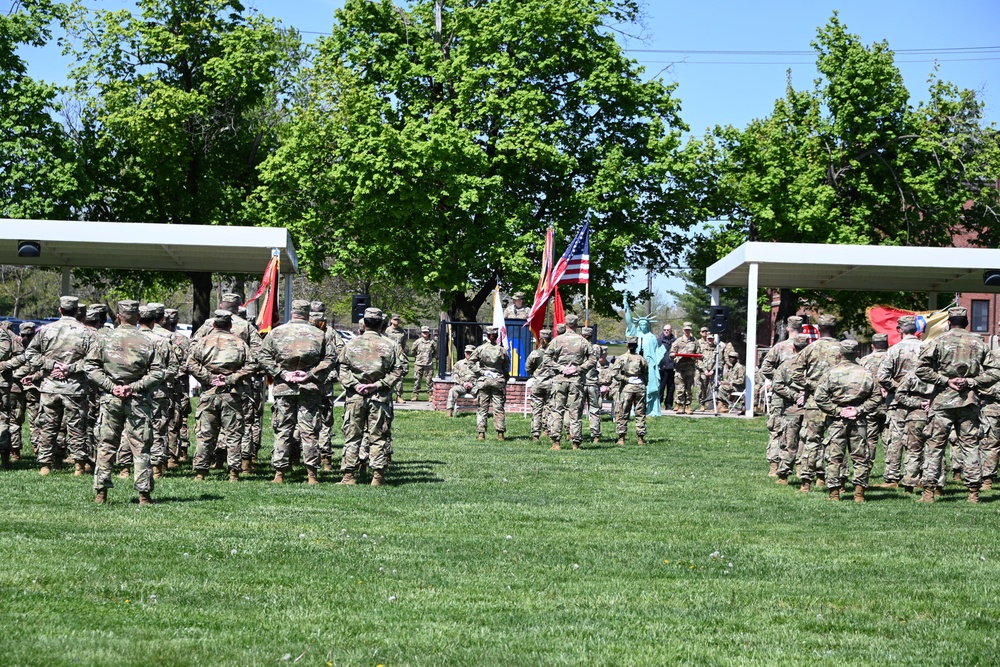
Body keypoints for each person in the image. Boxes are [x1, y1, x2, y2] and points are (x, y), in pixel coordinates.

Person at [86, 300, 165, 505]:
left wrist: (111, 387)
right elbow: (158, 373)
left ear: (118, 317)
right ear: (138, 318)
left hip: (111, 399)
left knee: (106, 445)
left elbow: (90, 367)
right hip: (138, 400)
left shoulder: (104, 339)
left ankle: (101, 493)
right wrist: (135, 387)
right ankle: (144, 495)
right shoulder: (147, 341)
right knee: (141, 447)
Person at [915, 306, 988, 503]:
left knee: (935, 447)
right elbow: (995, 371)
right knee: (970, 446)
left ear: (949, 322)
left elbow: (920, 369)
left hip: (942, 402)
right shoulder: (978, 342)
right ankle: (973, 493)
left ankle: (929, 492)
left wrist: (945, 380)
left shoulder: (937, 341)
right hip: (969, 402)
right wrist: (971, 382)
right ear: (966, 323)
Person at [259, 299, 336, 485]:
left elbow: (263, 356)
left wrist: (282, 373)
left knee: (283, 430)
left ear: (292, 312)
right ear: (308, 313)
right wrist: (309, 374)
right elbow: (331, 358)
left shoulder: (276, 333)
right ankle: (312, 475)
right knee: (309, 431)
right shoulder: (319, 334)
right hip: (309, 388)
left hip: (284, 389)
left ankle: (279, 474)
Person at [24, 295, 96, 477]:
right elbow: (95, 360)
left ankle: (45, 465)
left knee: (47, 426)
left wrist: (51, 365)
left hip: (50, 387)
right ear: (78, 311)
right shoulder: (87, 332)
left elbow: (30, 353)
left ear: (60, 310)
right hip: (75, 388)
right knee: (77, 427)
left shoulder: (46, 330)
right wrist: (69, 368)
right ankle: (79, 465)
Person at [188, 310, 260, 482]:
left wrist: (209, 378)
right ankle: (234, 473)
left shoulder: (203, 342)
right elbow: (253, 364)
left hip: (208, 394)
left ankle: (200, 473)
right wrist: (231, 378)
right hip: (232, 394)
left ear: (213, 325)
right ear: (230, 326)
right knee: (234, 434)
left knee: (205, 434)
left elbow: (190, 362)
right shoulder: (240, 343)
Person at [337, 308, 406, 486]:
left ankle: (349, 476)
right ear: (382, 324)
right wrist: (378, 385)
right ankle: (377, 477)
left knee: (352, 436)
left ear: (364, 324)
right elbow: (399, 370)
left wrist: (355, 384)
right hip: (379, 398)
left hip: (355, 397)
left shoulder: (351, 344)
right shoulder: (391, 345)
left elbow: (342, 369)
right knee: (378, 436)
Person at [812, 340, 883, 502]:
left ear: (840, 354)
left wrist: (838, 411)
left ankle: (834, 494)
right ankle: (859, 494)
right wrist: (859, 410)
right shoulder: (867, 373)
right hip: (859, 421)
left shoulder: (831, 373)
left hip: (837, 421)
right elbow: (877, 397)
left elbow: (820, 397)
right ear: (857, 354)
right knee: (860, 458)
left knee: (834, 458)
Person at [790, 313, 842, 493]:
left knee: (811, 442)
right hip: (838, 403)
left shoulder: (809, 349)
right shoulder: (842, 348)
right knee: (837, 443)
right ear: (834, 329)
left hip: (814, 402)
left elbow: (795, 372)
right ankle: (837, 483)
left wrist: (812, 385)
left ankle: (806, 483)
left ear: (819, 329)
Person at [875, 316, 923, 489]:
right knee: (919, 439)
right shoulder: (926, 348)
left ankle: (892, 478)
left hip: (897, 401)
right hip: (922, 400)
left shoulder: (894, 350)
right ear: (916, 330)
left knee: (895, 439)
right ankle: (917, 476)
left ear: (900, 330)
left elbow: (882, 376)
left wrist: (898, 387)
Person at [759, 316, 804, 476]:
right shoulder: (809, 347)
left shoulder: (779, 347)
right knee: (801, 430)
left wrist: (779, 378)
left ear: (787, 328)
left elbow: (765, 368)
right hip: (801, 395)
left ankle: (775, 466)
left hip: (781, 394)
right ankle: (800, 468)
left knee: (777, 429)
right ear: (802, 328)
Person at [544, 313, 595, 450]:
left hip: (559, 381)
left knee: (556, 411)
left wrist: (560, 368)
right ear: (577, 325)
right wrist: (578, 369)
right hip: (576, 381)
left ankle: (556, 442)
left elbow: (547, 358)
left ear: (565, 324)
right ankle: (576, 443)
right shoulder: (583, 341)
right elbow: (592, 360)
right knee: (575, 413)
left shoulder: (556, 340)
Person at [770, 334, 810, 484]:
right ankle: (805, 474)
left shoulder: (786, 365)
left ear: (793, 348)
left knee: (789, 443)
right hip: (808, 408)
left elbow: (777, 385)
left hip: (792, 409)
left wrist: (793, 396)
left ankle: (783, 476)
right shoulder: (813, 367)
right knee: (809, 443)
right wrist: (804, 396)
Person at [623, 297, 665, 417]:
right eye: (640, 324)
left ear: (648, 325)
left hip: (650, 365)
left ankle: (652, 410)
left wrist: (658, 358)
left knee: (651, 387)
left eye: (644, 324)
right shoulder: (635, 334)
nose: (642, 326)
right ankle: (633, 409)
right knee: (634, 386)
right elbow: (629, 322)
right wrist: (626, 307)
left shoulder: (652, 337)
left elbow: (656, 351)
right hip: (636, 365)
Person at [161, 308, 192, 465]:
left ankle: (163, 455)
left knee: (161, 419)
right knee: (178, 419)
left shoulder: (157, 337)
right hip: (179, 385)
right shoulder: (184, 340)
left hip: (160, 384)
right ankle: (177, 454)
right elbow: (190, 363)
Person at [470, 326, 510, 441]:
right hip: (498, 380)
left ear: (487, 336)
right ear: (497, 336)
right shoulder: (502, 350)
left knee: (482, 408)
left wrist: (481, 372)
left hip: (484, 381)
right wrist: (504, 378)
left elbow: (471, 363)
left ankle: (481, 434)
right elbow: (506, 366)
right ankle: (500, 434)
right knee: (499, 408)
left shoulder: (480, 349)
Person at [613, 336, 648, 445]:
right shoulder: (641, 359)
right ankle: (640, 438)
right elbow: (646, 374)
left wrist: (625, 379)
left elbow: (614, 373)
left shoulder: (622, 358)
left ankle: (621, 438)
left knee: (623, 412)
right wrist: (644, 384)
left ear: (627, 345)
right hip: (640, 387)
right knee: (640, 413)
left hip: (627, 387)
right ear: (636, 346)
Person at [525, 329, 554, 441]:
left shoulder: (535, 354)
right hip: (551, 384)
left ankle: (536, 434)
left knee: (536, 409)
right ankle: (549, 431)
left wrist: (536, 373)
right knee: (550, 409)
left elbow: (528, 368)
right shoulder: (554, 354)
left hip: (538, 383)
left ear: (540, 339)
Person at [669, 322, 701, 414]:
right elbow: (671, 353)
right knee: (680, 388)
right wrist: (674, 356)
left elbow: (699, 353)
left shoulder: (695, 341)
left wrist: (697, 357)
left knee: (689, 388)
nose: (687, 331)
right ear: (683, 330)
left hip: (690, 368)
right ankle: (680, 406)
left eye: (689, 330)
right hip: (680, 367)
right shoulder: (678, 341)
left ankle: (688, 406)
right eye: (686, 329)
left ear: (691, 330)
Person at [582, 327, 604, 443]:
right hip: (592, 382)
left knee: (576, 410)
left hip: (581, 382)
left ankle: (573, 433)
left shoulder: (579, 346)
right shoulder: (596, 348)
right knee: (594, 409)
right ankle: (596, 435)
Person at [447, 345, 476, 417]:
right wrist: (463, 383)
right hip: (462, 385)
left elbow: (482, 377)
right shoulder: (459, 364)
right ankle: (449, 411)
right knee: (453, 390)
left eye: (470, 352)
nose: (468, 354)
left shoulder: (479, 364)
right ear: (464, 353)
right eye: (467, 352)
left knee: (482, 391)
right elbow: (454, 376)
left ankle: (482, 412)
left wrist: (473, 383)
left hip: (474, 386)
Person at [385, 314, 409, 402]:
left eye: (398, 320)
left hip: (399, 355)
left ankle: (399, 396)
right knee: (387, 374)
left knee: (400, 375)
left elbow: (403, 343)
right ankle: (388, 394)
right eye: (395, 320)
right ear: (391, 320)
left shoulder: (402, 332)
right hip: (389, 354)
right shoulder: (386, 331)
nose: (397, 321)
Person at [410, 326, 437, 401]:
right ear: (421, 333)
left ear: (429, 333)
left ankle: (430, 396)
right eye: (424, 332)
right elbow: (413, 352)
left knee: (429, 380)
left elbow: (436, 351)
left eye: (426, 332)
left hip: (429, 364)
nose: (425, 333)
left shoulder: (432, 342)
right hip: (418, 364)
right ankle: (415, 395)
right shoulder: (417, 342)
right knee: (417, 380)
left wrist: (432, 357)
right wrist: (418, 357)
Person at [657, 324, 676, 410]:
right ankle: (658, 403)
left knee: (671, 388)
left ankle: (668, 404)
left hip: (672, 367)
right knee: (661, 387)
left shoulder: (675, 341)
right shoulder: (658, 341)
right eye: (665, 330)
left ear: (671, 331)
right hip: (662, 368)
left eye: (668, 330)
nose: (666, 331)